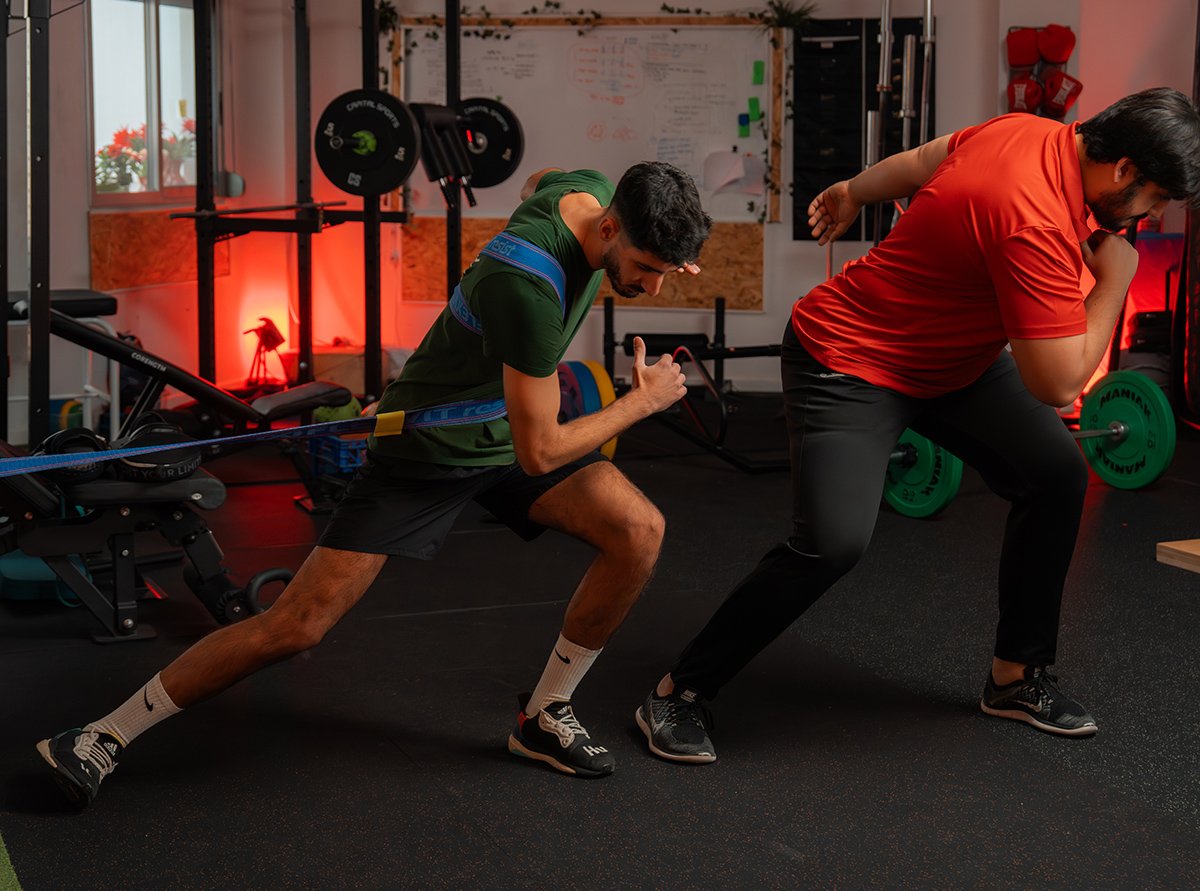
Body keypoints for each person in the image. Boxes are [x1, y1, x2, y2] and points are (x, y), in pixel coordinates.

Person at [38, 161, 712, 804]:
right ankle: (102, 735)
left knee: (637, 530)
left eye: (664, 270)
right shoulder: (526, 288)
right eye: (647, 269)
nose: (653, 287)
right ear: (607, 227)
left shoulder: (585, 191)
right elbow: (540, 455)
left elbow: (539, 181)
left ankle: (544, 715)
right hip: (430, 450)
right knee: (296, 626)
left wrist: (659, 252)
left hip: (504, 429)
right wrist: (639, 403)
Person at [635, 87, 1200, 764]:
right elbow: (1058, 384)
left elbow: (925, 159)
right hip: (849, 359)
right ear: (1122, 168)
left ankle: (1015, 677)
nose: (1153, 215)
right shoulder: (1034, 221)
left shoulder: (1028, 130)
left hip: (953, 361)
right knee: (832, 543)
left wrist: (851, 190)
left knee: (1054, 473)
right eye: (1154, 198)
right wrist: (1115, 279)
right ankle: (680, 690)